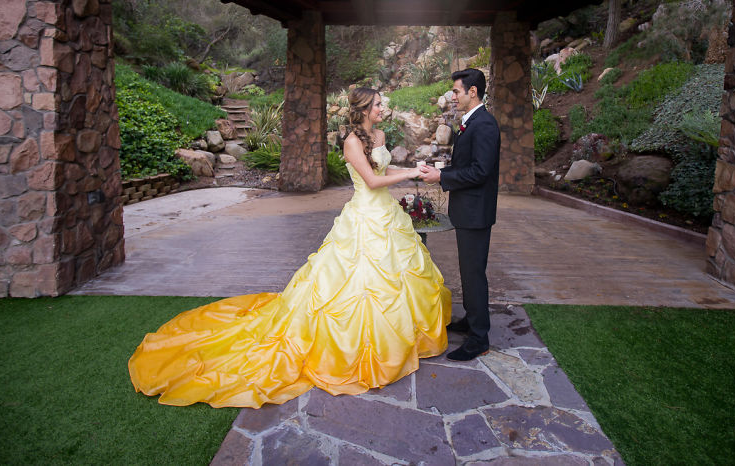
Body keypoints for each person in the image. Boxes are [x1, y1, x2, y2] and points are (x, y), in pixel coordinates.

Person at [128, 88, 451, 408]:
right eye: (379, 103)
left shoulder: (379, 135)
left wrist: (412, 172)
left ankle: (396, 341)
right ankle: (356, 346)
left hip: (386, 215)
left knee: (397, 276)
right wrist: (413, 173)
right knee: (355, 281)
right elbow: (370, 181)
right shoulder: (352, 141)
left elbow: (384, 170)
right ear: (364, 108)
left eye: (382, 103)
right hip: (365, 217)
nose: (384, 107)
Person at [419, 68, 500, 362]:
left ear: (472, 92)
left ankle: (479, 338)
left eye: (456, 91)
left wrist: (441, 179)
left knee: (474, 273)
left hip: (476, 212)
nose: (453, 96)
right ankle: (472, 320)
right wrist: (439, 172)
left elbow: (481, 171)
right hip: (469, 211)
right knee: (468, 270)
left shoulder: (485, 125)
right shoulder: (471, 123)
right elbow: (466, 165)